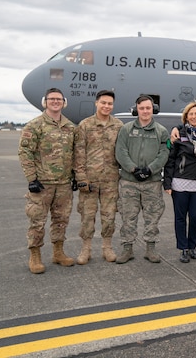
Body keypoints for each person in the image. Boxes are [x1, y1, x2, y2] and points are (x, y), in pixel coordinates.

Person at [18, 88, 76, 274]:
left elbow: (75, 153)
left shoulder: (70, 127)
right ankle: (35, 256)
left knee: (61, 220)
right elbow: (25, 153)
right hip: (42, 184)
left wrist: (75, 176)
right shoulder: (34, 126)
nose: (55, 102)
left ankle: (58, 253)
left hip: (64, 183)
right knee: (37, 221)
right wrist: (31, 179)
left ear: (64, 102)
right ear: (45, 102)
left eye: (59, 99)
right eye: (51, 99)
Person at [114, 95, 170, 264]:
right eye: (142, 108)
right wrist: (133, 169)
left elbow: (164, 153)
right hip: (129, 181)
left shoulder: (161, 131)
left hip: (152, 182)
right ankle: (127, 248)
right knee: (127, 216)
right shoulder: (126, 129)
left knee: (152, 216)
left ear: (153, 109)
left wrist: (150, 169)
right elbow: (120, 151)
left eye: (148, 108)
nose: (145, 111)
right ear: (136, 109)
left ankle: (150, 248)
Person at [73, 90, 123, 265]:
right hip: (90, 181)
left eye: (110, 103)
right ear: (96, 103)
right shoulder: (85, 125)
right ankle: (85, 249)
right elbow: (79, 153)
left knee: (109, 216)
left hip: (110, 180)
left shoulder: (118, 126)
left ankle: (107, 248)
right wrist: (81, 178)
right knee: (87, 217)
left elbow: (122, 152)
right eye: (103, 103)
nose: (106, 106)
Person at [163, 102, 196, 263]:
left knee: (195, 216)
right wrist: (167, 183)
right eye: (191, 114)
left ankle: (192, 246)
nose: (194, 116)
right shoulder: (179, 134)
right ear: (186, 117)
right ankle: (183, 248)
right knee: (180, 217)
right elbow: (170, 160)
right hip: (180, 182)